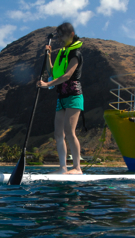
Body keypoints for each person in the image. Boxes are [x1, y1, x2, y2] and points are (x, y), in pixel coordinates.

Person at [37, 22, 83, 175]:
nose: (59, 41)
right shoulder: (62, 52)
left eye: (61, 38)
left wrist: (47, 84)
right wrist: (48, 55)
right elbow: (53, 71)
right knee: (58, 134)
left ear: (71, 34)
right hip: (61, 97)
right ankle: (63, 167)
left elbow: (67, 75)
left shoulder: (75, 54)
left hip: (74, 96)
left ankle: (77, 168)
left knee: (70, 132)